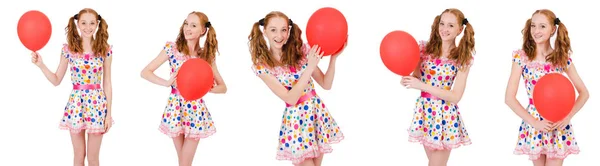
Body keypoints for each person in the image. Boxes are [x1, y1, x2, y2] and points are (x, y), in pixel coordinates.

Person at [248, 11, 346, 166]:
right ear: (265, 31)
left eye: (283, 30)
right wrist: (310, 67)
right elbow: (290, 98)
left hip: (315, 114)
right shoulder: (263, 66)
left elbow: (326, 84)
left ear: (289, 31)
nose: (279, 35)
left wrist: (334, 58)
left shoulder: (301, 52)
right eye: (273, 30)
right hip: (297, 122)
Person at [140, 11, 226, 166]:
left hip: (195, 109)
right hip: (175, 106)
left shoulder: (205, 56)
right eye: (186, 24)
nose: (187, 28)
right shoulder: (172, 49)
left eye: (193, 25)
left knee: (184, 162)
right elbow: (145, 72)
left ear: (203, 30)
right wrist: (166, 82)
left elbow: (223, 87)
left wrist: (208, 88)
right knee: (183, 161)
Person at [505, 9, 589, 166]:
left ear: (553, 30)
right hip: (535, 124)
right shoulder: (521, 58)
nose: (536, 31)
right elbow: (509, 98)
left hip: (557, 123)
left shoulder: (561, 58)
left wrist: (568, 116)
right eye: (533, 26)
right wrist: (534, 122)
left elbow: (584, 92)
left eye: (542, 26)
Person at [30, 8, 112, 166]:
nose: (88, 27)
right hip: (76, 104)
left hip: (97, 105)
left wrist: (108, 114)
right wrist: (41, 65)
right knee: (78, 155)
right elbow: (56, 80)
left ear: (97, 24)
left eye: (92, 23)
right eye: (83, 23)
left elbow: (107, 83)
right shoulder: (69, 49)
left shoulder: (104, 50)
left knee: (93, 158)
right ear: (77, 24)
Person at [400, 8, 475, 166]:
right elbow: (416, 76)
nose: (444, 29)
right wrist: (407, 78)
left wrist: (421, 85)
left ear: (460, 30)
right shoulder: (425, 50)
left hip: (445, 116)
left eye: (450, 25)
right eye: (442, 24)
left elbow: (455, 96)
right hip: (425, 113)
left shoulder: (462, 57)